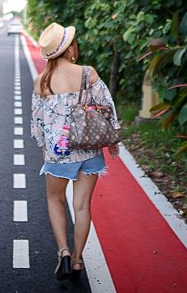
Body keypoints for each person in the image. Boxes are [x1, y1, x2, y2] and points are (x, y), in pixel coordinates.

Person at [30, 22, 120, 282]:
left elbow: (37, 123)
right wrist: (112, 139)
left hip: (58, 153)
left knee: (55, 200)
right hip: (88, 149)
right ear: (70, 48)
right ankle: (79, 260)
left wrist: (46, 149)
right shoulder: (87, 73)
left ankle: (64, 252)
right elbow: (107, 107)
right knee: (81, 207)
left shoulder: (41, 82)